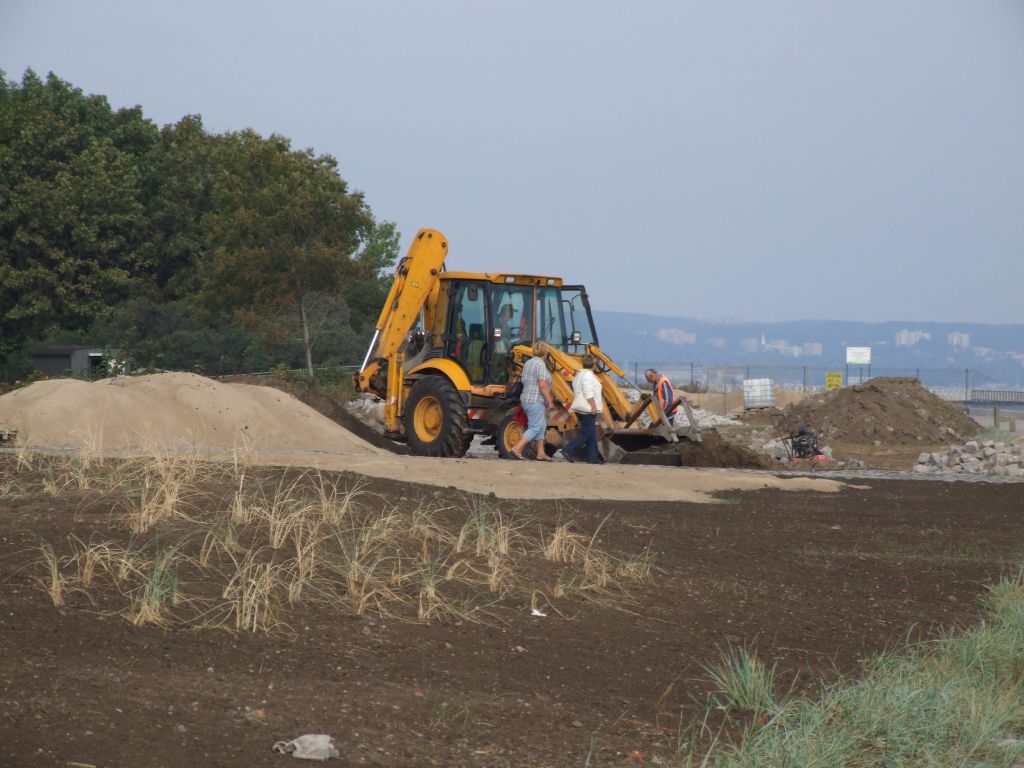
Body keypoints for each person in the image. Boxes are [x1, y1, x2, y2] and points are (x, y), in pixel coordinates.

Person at [510, 340, 555, 461]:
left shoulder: (528, 363)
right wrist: (550, 401)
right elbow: (542, 384)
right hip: (536, 400)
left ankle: (540, 453)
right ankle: (517, 448)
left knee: (541, 426)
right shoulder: (540, 364)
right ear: (545, 352)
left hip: (526, 399)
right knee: (535, 427)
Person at [560, 353, 603, 464]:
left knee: (591, 433)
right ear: (594, 365)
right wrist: (593, 406)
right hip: (587, 408)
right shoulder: (588, 376)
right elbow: (588, 392)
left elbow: (575, 387)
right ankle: (568, 449)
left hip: (579, 407)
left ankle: (592, 457)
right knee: (588, 434)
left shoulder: (579, 375)